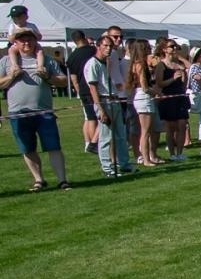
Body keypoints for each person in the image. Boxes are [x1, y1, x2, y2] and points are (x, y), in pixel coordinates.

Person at [2, 25, 70, 191]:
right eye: (22, 39)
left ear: (35, 40)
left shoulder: (46, 60)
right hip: (18, 113)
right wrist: (11, 76)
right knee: (27, 148)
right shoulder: (5, 62)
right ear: (15, 43)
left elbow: (63, 80)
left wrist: (48, 76)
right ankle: (39, 180)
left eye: (29, 39)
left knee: (53, 147)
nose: (26, 42)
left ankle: (62, 180)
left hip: (44, 112)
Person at [82, 33, 132, 178]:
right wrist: (101, 109)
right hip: (103, 101)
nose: (109, 49)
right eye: (105, 46)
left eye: (110, 46)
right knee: (105, 137)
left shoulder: (108, 62)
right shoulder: (92, 64)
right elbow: (93, 88)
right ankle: (107, 168)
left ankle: (124, 164)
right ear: (98, 46)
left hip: (114, 99)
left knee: (121, 135)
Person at [127, 39, 161, 166]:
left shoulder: (139, 63)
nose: (149, 50)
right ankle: (146, 159)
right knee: (145, 131)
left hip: (143, 96)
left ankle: (149, 157)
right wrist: (157, 93)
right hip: (143, 97)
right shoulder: (140, 64)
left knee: (148, 130)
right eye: (146, 48)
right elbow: (145, 87)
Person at [155, 41, 190, 160]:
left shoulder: (178, 65)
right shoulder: (161, 65)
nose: (174, 48)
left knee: (182, 125)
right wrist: (173, 78)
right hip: (168, 97)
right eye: (171, 46)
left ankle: (180, 153)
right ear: (164, 49)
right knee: (170, 127)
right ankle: (172, 154)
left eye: (176, 46)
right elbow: (159, 83)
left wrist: (184, 78)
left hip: (180, 97)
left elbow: (184, 83)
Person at [65, 30, 98, 153]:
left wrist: (79, 91)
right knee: (98, 117)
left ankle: (90, 142)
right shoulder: (93, 50)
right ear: (84, 38)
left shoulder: (71, 57)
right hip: (95, 87)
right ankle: (96, 143)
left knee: (90, 118)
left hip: (83, 90)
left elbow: (73, 79)